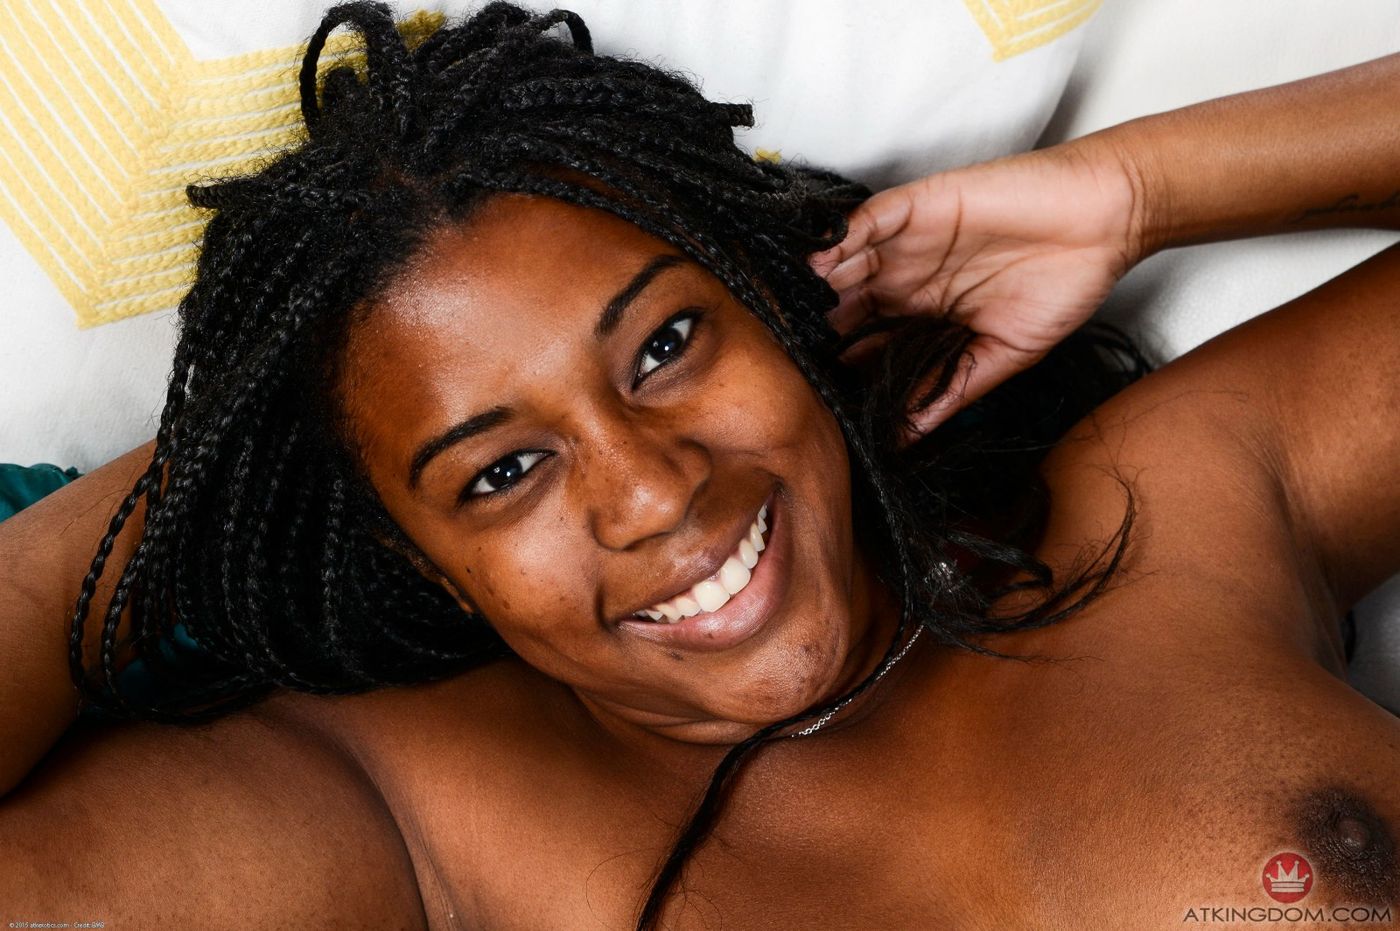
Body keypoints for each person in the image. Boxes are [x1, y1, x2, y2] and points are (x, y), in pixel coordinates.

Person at [1, 3, 1397, 927]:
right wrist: (239, 462)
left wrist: (1136, 191)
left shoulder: (1165, 509)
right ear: (412, 557)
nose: (653, 489)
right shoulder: (414, 820)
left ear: (779, 310)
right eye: (500, 473)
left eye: (666, 345)